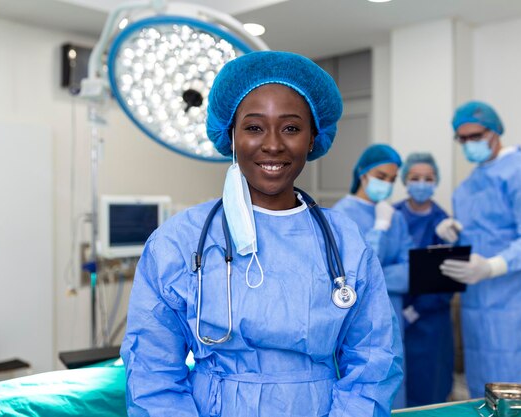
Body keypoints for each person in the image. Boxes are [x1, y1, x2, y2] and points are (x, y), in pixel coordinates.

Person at [120, 51, 403, 417]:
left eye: (291, 128)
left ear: (314, 138)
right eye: (254, 128)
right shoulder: (179, 241)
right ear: (231, 136)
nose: (272, 144)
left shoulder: (345, 242)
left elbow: (373, 362)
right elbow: (151, 372)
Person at [437, 101, 521, 398]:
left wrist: (491, 266)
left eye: (476, 136)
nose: (469, 144)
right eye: (463, 139)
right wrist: (454, 230)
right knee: (486, 383)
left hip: (520, 300)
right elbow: (483, 235)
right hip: (479, 302)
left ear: (495, 131)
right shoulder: (472, 182)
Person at [332, 143, 411, 409]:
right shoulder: (341, 214)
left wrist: (376, 276)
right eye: (380, 176)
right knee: (362, 380)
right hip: (356, 316)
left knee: (392, 372)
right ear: (362, 174)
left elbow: (410, 268)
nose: (386, 184)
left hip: (393, 312)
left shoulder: (395, 217)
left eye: (392, 179)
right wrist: (379, 229)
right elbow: (350, 277)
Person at [393, 152, 454, 407]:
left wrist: (416, 310)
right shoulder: (393, 216)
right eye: (415, 178)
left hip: (431, 320)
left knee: (431, 385)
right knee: (396, 381)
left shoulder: (443, 222)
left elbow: (448, 276)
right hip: (394, 307)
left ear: (436, 181)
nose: (421, 183)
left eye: (427, 178)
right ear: (405, 180)